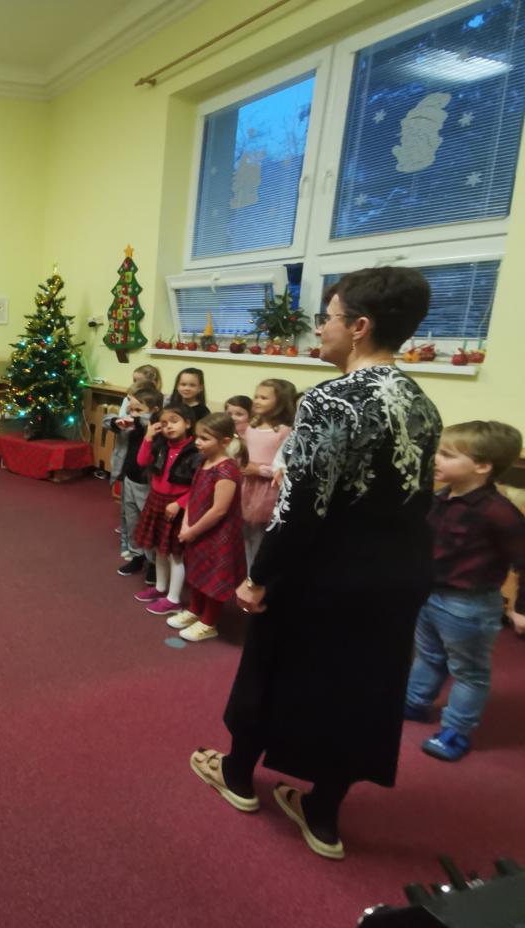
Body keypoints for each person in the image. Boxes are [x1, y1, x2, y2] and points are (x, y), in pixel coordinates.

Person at [192, 266, 441, 862]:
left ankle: (237, 774)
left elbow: (301, 504)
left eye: (327, 317)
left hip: (325, 572)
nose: (319, 329)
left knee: (270, 669)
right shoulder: (421, 402)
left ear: (359, 327)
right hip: (395, 575)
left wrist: (259, 577)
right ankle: (323, 814)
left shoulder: (333, 399)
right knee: (359, 690)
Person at [404, 421, 525, 761]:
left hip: (468, 605)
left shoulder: (498, 512)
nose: (436, 459)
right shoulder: (440, 497)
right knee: (429, 656)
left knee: (469, 671)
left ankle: (456, 731)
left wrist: (521, 608)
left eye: (447, 455)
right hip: (429, 595)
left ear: (482, 466)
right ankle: (415, 702)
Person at [169, 413, 247, 643]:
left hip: (218, 534)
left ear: (225, 441)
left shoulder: (226, 470)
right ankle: (195, 610)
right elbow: (193, 495)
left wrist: (192, 531)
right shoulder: (204, 462)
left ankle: (209, 622)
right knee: (196, 570)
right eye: (198, 437)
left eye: (205, 438)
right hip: (197, 529)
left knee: (214, 577)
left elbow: (219, 510)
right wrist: (186, 523)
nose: (198, 442)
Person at [132, 403, 199, 615]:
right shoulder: (161, 445)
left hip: (176, 506)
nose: (168, 426)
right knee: (159, 550)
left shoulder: (195, 451)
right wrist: (148, 436)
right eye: (164, 423)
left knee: (174, 555)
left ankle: (174, 599)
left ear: (187, 423)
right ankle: (160, 588)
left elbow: (199, 485)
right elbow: (142, 460)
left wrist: (180, 503)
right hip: (156, 500)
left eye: (174, 421)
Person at [105, 385, 162, 576]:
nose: (133, 414)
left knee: (149, 524)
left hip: (148, 484)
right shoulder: (129, 424)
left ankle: (153, 563)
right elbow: (107, 422)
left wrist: (136, 419)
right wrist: (117, 421)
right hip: (129, 478)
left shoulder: (156, 427)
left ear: (154, 410)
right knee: (132, 521)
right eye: (131, 409)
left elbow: (148, 421)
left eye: (139, 409)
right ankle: (137, 556)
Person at [239, 380, 296, 565]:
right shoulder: (252, 426)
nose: (257, 401)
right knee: (245, 535)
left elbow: (286, 468)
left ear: (280, 402)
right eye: (256, 396)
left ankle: (255, 574)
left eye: (264, 398)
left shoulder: (284, 431)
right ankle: (246, 572)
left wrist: (259, 470)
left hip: (268, 490)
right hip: (247, 486)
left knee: (260, 537)